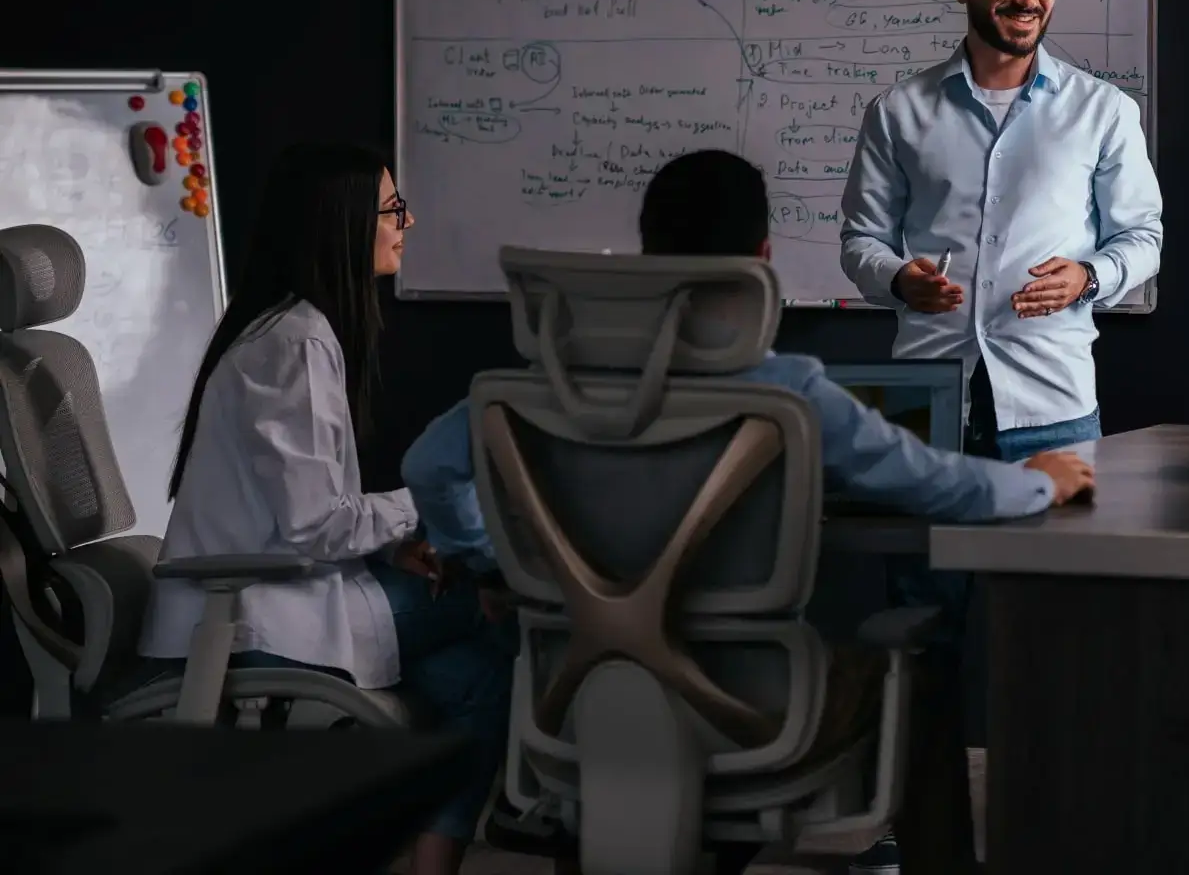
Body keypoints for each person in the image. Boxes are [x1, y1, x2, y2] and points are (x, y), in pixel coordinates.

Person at [400, 147, 1095, 875]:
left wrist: (484, 561)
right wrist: (1040, 481)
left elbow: (428, 467)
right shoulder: (787, 390)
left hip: (578, 697)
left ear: (649, 255)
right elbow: (940, 486)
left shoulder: (540, 383)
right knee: (916, 668)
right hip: (751, 713)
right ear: (760, 258)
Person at [138, 143, 512, 875]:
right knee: (490, 605)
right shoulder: (295, 341)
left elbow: (310, 516)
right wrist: (424, 513)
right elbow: (317, 524)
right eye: (391, 209)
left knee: (478, 679)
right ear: (341, 225)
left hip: (284, 592)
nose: (405, 222)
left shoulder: (289, 329)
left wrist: (391, 545)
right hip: (260, 617)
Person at [840, 0, 1164, 462]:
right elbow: (861, 239)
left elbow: (1143, 238)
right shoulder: (897, 112)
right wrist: (897, 279)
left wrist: (1089, 276)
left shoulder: (1104, 110)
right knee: (920, 553)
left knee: (1052, 555)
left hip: (1053, 407)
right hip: (926, 400)